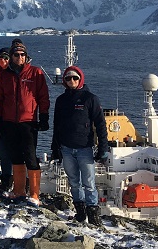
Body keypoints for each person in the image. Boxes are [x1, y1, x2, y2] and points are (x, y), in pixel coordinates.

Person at [0, 42, 50, 205]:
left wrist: (44, 116)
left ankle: (34, 194)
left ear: (26, 56)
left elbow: (43, 97)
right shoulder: (5, 75)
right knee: (16, 157)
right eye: (16, 55)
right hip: (9, 122)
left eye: (22, 55)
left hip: (28, 122)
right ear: (11, 56)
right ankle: (19, 191)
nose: (20, 58)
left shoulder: (35, 73)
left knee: (31, 157)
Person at [51, 66, 107, 224]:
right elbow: (57, 125)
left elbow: (100, 124)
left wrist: (103, 148)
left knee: (89, 183)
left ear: (80, 78)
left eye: (75, 78)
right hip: (66, 148)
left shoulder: (90, 99)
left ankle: (93, 215)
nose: (72, 81)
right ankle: (81, 213)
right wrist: (55, 147)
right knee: (74, 182)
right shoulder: (61, 100)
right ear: (64, 80)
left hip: (84, 148)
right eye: (68, 78)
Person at [0, 47, 14, 192]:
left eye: (6, 58)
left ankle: (11, 179)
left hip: (11, 120)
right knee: (1, 152)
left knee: (11, 152)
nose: (3, 61)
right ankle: (5, 179)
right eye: (1, 58)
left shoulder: (14, 76)